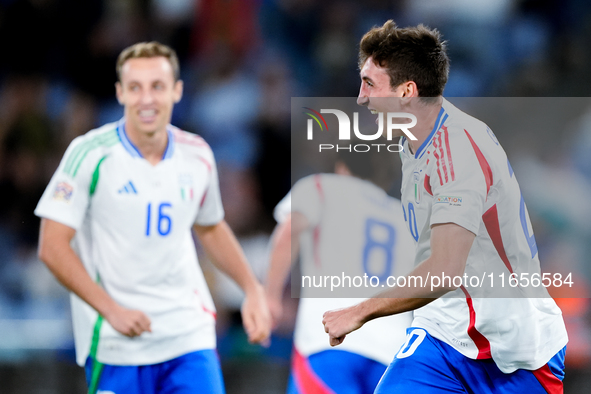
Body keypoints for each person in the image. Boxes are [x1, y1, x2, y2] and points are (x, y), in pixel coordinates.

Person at [322, 21, 568, 393]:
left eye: (370, 83)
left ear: (407, 92)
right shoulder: (414, 142)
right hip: (444, 336)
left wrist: (359, 311)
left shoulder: (456, 149)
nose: (361, 97)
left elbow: (444, 270)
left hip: (517, 352)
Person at [34, 41, 271, 394]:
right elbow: (52, 247)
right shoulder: (89, 154)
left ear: (177, 90)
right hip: (117, 344)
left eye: (157, 86)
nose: (147, 99)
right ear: (120, 93)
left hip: (188, 336)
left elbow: (210, 226)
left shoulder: (198, 154)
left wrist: (252, 289)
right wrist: (110, 309)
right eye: (135, 87)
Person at [266, 144, 415, 393]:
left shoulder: (321, 187)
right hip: (393, 350)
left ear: (342, 166)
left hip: (330, 340)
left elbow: (288, 232)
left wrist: (268, 297)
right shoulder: (404, 217)